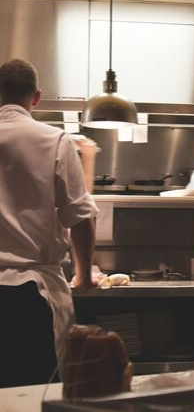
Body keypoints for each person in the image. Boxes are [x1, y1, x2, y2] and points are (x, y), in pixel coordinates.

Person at [0, 59, 102, 388]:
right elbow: (80, 217)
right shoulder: (55, 140)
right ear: (37, 97)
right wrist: (83, 275)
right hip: (29, 295)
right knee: (30, 395)